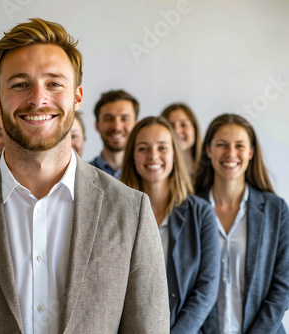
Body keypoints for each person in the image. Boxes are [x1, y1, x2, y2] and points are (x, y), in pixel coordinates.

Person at [0, 18, 169, 334]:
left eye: (54, 83)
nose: (37, 99)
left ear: (77, 96)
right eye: (20, 84)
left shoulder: (131, 211)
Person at [121, 116, 220, 333]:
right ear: (132, 157)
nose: (153, 156)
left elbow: (207, 288)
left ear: (174, 154)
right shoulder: (117, 211)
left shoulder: (200, 212)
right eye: (143, 148)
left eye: (162, 148)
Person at [195, 114, 289, 333]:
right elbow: (182, 285)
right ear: (208, 151)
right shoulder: (188, 209)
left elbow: (283, 285)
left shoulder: (275, 209)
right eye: (221, 145)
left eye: (240, 145)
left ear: (251, 152)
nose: (230, 153)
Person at [90, 89, 139, 178]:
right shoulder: (81, 175)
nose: (117, 127)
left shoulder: (146, 174)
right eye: (108, 119)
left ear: (136, 126)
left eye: (124, 119)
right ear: (97, 126)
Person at [161, 103, 202, 177]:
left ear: (194, 128)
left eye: (183, 125)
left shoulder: (209, 170)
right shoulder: (157, 173)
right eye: (170, 126)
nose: (177, 131)